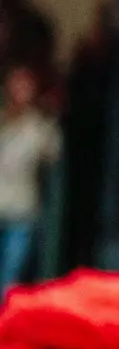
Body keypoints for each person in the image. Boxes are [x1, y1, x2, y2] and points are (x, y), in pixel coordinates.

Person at [0, 66, 59, 290]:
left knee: (9, 275)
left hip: (21, 210)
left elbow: (53, 153)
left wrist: (48, 116)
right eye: (15, 86)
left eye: (25, 87)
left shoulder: (37, 127)